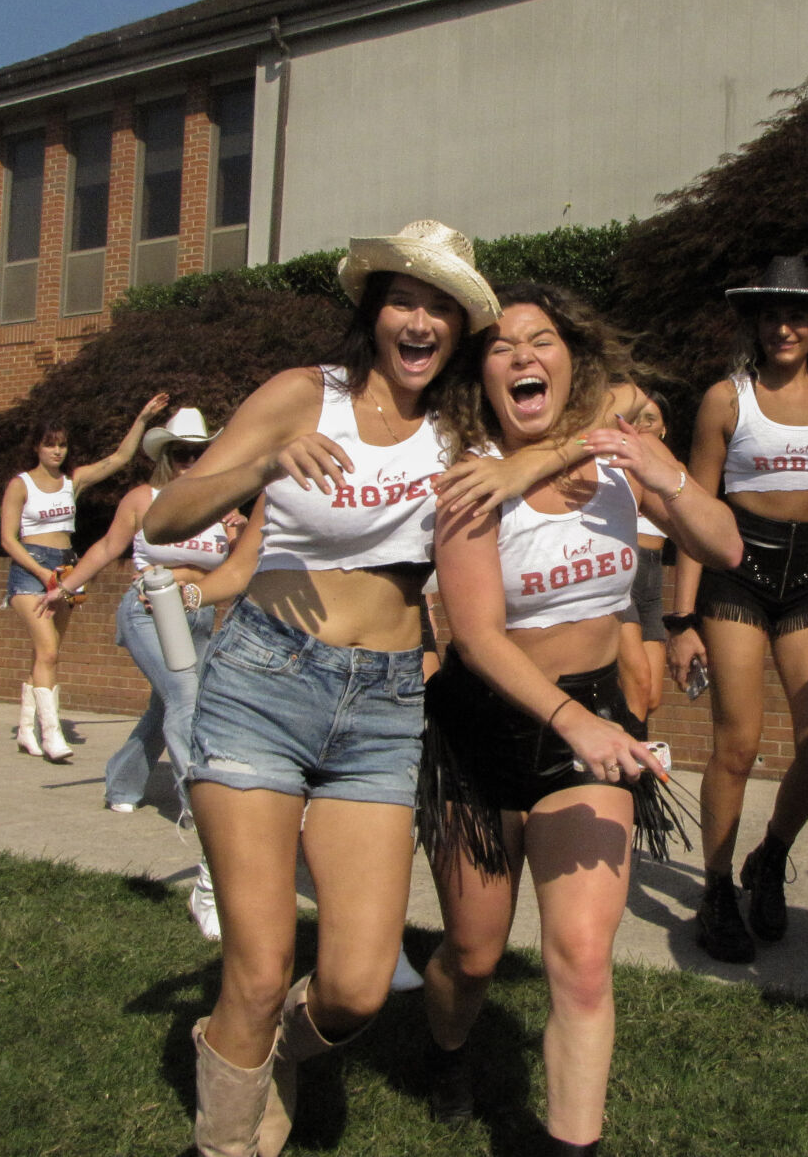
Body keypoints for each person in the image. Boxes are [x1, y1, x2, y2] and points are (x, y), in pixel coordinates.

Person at [142, 220, 558, 1157]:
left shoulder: (461, 428)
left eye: (440, 307)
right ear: (374, 314)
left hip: (380, 707)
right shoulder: (303, 396)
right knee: (256, 968)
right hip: (263, 683)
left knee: (360, 985)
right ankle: (227, 1137)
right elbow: (165, 516)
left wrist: (527, 460)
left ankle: (253, 1055)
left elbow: (565, 433)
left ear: (458, 329)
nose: (420, 320)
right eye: (404, 300)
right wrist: (262, 465)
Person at [420, 284, 742, 1154]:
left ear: (574, 361)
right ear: (481, 378)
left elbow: (723, 545)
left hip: (593, 724)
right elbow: (479, 637)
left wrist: (658, 463)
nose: (524, 354)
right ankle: (445, 1044)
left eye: (543, 339)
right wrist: (572, 720)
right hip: (481, 729)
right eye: (500, 346)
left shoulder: (617, 467)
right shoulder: (472, 478)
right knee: (475, 956)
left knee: (583, 959)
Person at [667, 255, 808, 963]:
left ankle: (769, 856)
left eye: (798, 315)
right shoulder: (725, 399)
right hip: (736, 573)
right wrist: (680, 622)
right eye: (772, 314)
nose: (785, 327)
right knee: (737, 743)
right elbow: (690, 511)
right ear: (756, 324)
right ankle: (715, 891)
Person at [42, 407, 234, 938]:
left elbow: (236, 568)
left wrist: (209, 559)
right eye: (181, 453)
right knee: (186, 698)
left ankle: (122, 784)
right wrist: (65, 587)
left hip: (199, 612)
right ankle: (201, 801)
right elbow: (107, 548)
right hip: (150, 610)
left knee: (164, 703)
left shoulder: (223, 504)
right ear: (166, 457)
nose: (191, 460)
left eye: (200, 451)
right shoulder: (143, 500)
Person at [0, 393, 169, 761]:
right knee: (48, 650)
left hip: (66, 565)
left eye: (61, 445)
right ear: (36, 447)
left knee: (46, 653)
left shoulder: (71, 481)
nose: (57, 452)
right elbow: (7, 540)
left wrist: (142, 419)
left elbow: (119, 459)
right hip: (31, 571)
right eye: (49, 445)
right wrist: (42, 572)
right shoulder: (21, 485)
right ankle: (52, 734)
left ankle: (27, 731)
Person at [614, 390, 675, 732]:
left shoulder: (673, 473)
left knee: (650, 696)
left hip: (652, 583)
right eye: (635, 418)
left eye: (650, 420)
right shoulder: (616, 465)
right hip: (623, 577)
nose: (642, 426)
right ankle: (631, 774)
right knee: (636, 684)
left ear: (664, 428)